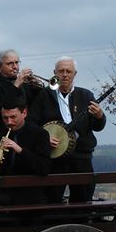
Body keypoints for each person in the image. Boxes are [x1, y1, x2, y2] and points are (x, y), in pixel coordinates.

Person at [30, 56, 106, 203]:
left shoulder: (85, 95)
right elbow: (31, 124)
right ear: (54, 73)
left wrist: (99, 116)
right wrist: (44, 138)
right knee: (52, 199)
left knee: (83, 198)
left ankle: (80, 226)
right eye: (61, 71)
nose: (65, 74)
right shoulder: (44, 95)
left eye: (68, 71)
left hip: (81, 156)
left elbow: (97, 127)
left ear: (74, 74)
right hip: (54, 157)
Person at [0, 49, 41, 140]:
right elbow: (0, 109)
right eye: (10, 64)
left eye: (17, 62)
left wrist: (37, 88)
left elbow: (37, 106)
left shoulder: (26, 84)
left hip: (28, 135)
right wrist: (16, 85)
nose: (15, 67)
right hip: (5, 135)